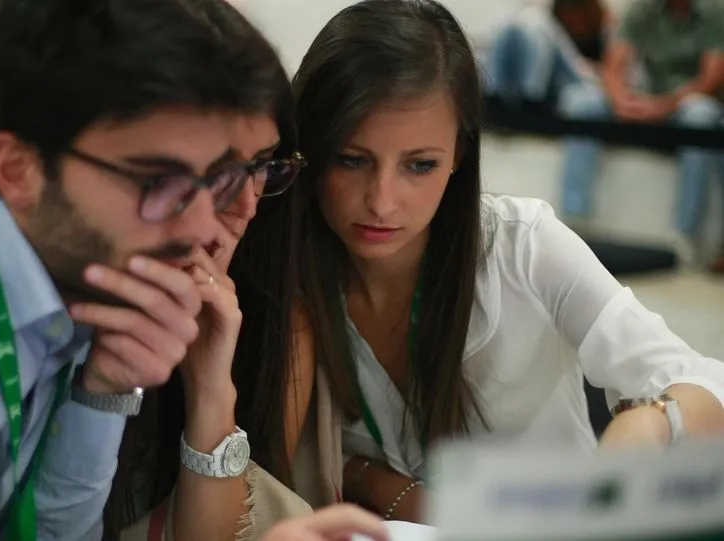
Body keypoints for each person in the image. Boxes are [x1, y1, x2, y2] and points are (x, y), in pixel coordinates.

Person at [0, 0, 303, 538]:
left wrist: (103, 394)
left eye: (212, 179)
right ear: (18, 169)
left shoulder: (73, 287)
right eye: (157, 180)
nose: (202, 226)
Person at [288, 0, 724, 524]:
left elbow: (701, 377)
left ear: (459, 155)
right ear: (311, 147)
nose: (382, 201)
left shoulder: (523, 248)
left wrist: (655, 422)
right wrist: (377, 481)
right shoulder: (290, 275)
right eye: (352, 160)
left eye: (420, 165)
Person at [101, 2, 321, 541]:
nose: (247, 205)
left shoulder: (266, 313)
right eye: (221, 170)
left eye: (261, 166)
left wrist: (209, 385)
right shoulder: (65, 299)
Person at [558, 0, 724, 263]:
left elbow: (711, 80)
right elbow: (614, 64)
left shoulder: (715, 12)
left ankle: (685, 238)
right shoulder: (643, 9)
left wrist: (662, 106)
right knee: (583, 102)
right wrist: (621, 100)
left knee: (699, 114)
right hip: (649, 98)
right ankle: (574, 221)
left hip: (687, 104)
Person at [487, 0, 611, 106]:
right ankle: (518, 96)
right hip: (557, 82)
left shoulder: (604, 30)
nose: (572, 19)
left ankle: (530, 96)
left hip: (583, 81)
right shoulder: (551, 29)